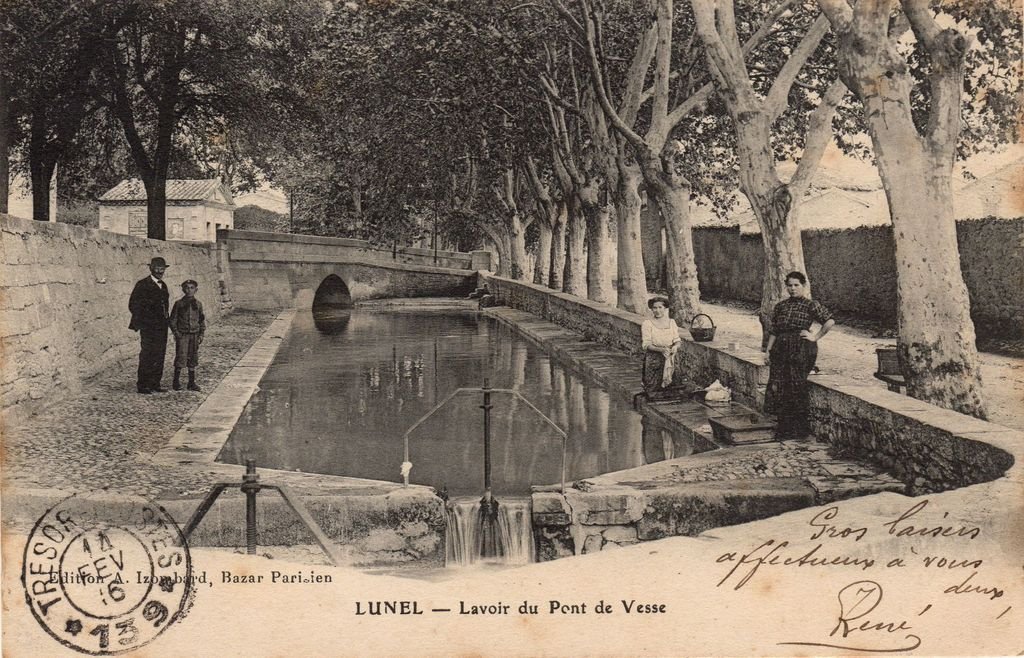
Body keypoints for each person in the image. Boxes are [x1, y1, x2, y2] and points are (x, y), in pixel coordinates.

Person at [763, 271, 835, 440]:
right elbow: (774, 330)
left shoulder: (810, 305)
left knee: (796, 384)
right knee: (779, 384)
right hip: (780, 348)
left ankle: (799, 428)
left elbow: (830, 321)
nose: (793, 289)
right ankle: (783, 427)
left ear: (803, 286)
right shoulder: (781, 306)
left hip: (801, 348)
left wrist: (815, 336)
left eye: (796, 285)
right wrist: (768, 351)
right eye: (790, 285)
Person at [129, 257, 171, 394]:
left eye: (162, 268)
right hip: (148, 327)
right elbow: (133, 305)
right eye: (157, 268)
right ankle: (143, 385)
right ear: (151, 268)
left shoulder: (163, 285)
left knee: (159, 354)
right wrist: (145, 320)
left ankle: (155, 383)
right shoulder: (142, 285)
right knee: (147, 354)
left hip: (161, 327)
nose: (160, 271)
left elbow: (165, 306)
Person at [169, 279, 206, 391]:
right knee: (181, 357)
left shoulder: (198, 304)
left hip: (194, 335)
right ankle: (176, 382)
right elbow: (172, 320)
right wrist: (177, 333)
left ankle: (191, 382)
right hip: (183, 335)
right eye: (187, 288)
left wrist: (201, 334)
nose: (189, 290)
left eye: (192, 288)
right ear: (183, 289)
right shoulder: (179, 304)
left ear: (196, 290)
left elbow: (201, 320)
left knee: (193, 357)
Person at [641, 297, 682, 393]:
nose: (657, 310)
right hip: (654, 359)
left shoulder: (671, 322)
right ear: (651, 309)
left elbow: (677, 340)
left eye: (660, 307)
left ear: (665, 308)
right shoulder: (647, 324)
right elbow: (646, 344)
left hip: (671, 357)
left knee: (673, 387)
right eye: (655, 308)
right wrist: (661, 350)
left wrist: (676, 346)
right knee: (654, 388)